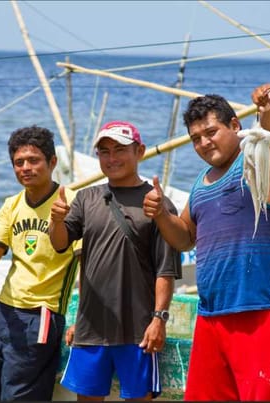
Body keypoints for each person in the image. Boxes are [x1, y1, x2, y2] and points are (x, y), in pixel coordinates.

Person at [143, 83, 270, 401]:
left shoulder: (259, 162)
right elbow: (185, 239)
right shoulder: (201, 185)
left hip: (264, 309)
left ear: (235, 125)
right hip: (212, 316)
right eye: (195, 139)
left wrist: (269, 107)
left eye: (211, 132)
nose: (203, 143)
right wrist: (160, 213)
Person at [49, 120, 182, 401]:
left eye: (120, 150)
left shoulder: (157, 203)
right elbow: (60, 243)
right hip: (90, 330)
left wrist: (159, 319)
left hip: (138, 332)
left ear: (140, 151)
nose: (112, 158)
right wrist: (55, 219)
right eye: (104, 151)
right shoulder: (86, 198)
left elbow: (165, 270)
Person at [0, 126, 81, 401]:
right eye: (19, 162)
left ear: (52, 163)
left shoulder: (71, 203)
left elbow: (87, 266)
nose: (25, 168)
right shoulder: (12, 204)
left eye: (33, 160)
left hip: (41, 316)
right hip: (1, 311)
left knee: (18, 396)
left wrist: (83, 318)